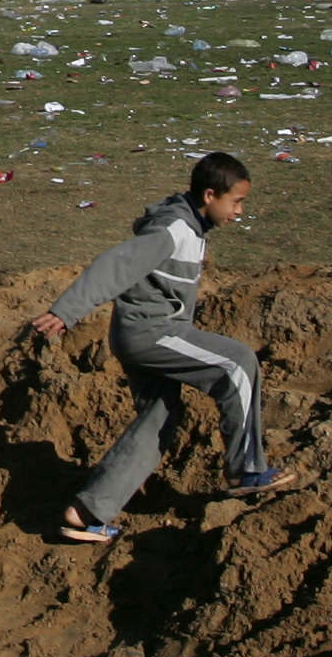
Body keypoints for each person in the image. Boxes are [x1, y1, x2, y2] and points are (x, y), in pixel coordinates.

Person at [28, 150, 288, 542]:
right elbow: (116, 264)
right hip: (150, 333)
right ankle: (247, 470)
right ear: (210, 196)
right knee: (238, 363)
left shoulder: (191, 227)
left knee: (158, 418)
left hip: (141, 333)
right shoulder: (173, 230)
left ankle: (87, 511)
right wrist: (67, 311)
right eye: (236, 201)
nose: (240, 211)